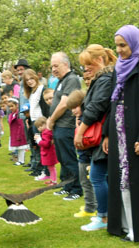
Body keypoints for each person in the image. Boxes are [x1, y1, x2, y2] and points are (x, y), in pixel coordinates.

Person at [102, 25, 139, 242]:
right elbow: (113, 101)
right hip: (118, 130)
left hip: (136, 131)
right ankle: (124, 224)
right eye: (117, 45)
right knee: (121, 177)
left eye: (123, 45)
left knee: (137, 178)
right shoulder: (119, 66)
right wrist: (107, 133)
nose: (119, 50)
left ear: (133, 43)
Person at [74, 44, 116, 230]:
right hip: (104, 134)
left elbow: (96, 108)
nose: (86, 68)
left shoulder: (105, 79)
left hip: (102, 135)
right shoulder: (103, 78)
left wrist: (81, 131)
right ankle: (105, 215)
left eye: (88, 64)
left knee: (97, 177)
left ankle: (104, 217)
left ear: (99, 60)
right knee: (100, 176)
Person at [47, 52, 83, 200]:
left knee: (69, 158)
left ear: (66, 64)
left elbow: (64, 104)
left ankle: (76, 189)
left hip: (66, 125)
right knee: (62, 158)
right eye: (51, 67)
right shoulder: (61, 80)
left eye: (56, 65)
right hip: (59, 126)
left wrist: (52, 120)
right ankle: (67, 186)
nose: (53, 69)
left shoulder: (72, 79)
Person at [67, 90, 98, 210]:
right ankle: (89, 207)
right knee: (84, 182)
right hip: (82, 155)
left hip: (89, 155)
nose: (74, 110)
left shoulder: (86, 119)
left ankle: (96, 207)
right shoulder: (79, 118)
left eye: (76, 107)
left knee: (93, 182)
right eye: (71, 108)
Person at [23, 69, 49, 177]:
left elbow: (45, 108)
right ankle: (38, 168)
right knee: (36, 146)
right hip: (34, 122)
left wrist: (46, 124)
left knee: (42, 147)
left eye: (31, 78)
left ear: (35, 77)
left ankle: (43, 170)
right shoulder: (32, 92)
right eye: (27, 80)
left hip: (41, 123)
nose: (29, 81)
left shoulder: (41, 89)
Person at [34, 117, 58, 185]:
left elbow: (46, 144)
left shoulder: (46, 132)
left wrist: (39, 141)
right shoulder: (45, 132)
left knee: (52, 168)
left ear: (45, 124)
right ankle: (52, 179)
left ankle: (54, 181)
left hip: (49, 153)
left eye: (41, 126)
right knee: (50, 168)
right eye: (38, 127)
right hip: (47, 153)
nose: (40, 128)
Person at [8, 97, 28, 165]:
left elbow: (21, 125)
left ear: (17, 105)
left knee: (21, 148)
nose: (11, 108)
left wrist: (19, 135)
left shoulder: (18, 114)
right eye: (9, 106)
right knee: (18, 148)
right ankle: (19, 160)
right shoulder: (11, 114)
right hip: (14, 133)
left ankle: (21, 161)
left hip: (19, 134)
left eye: (12, 106)